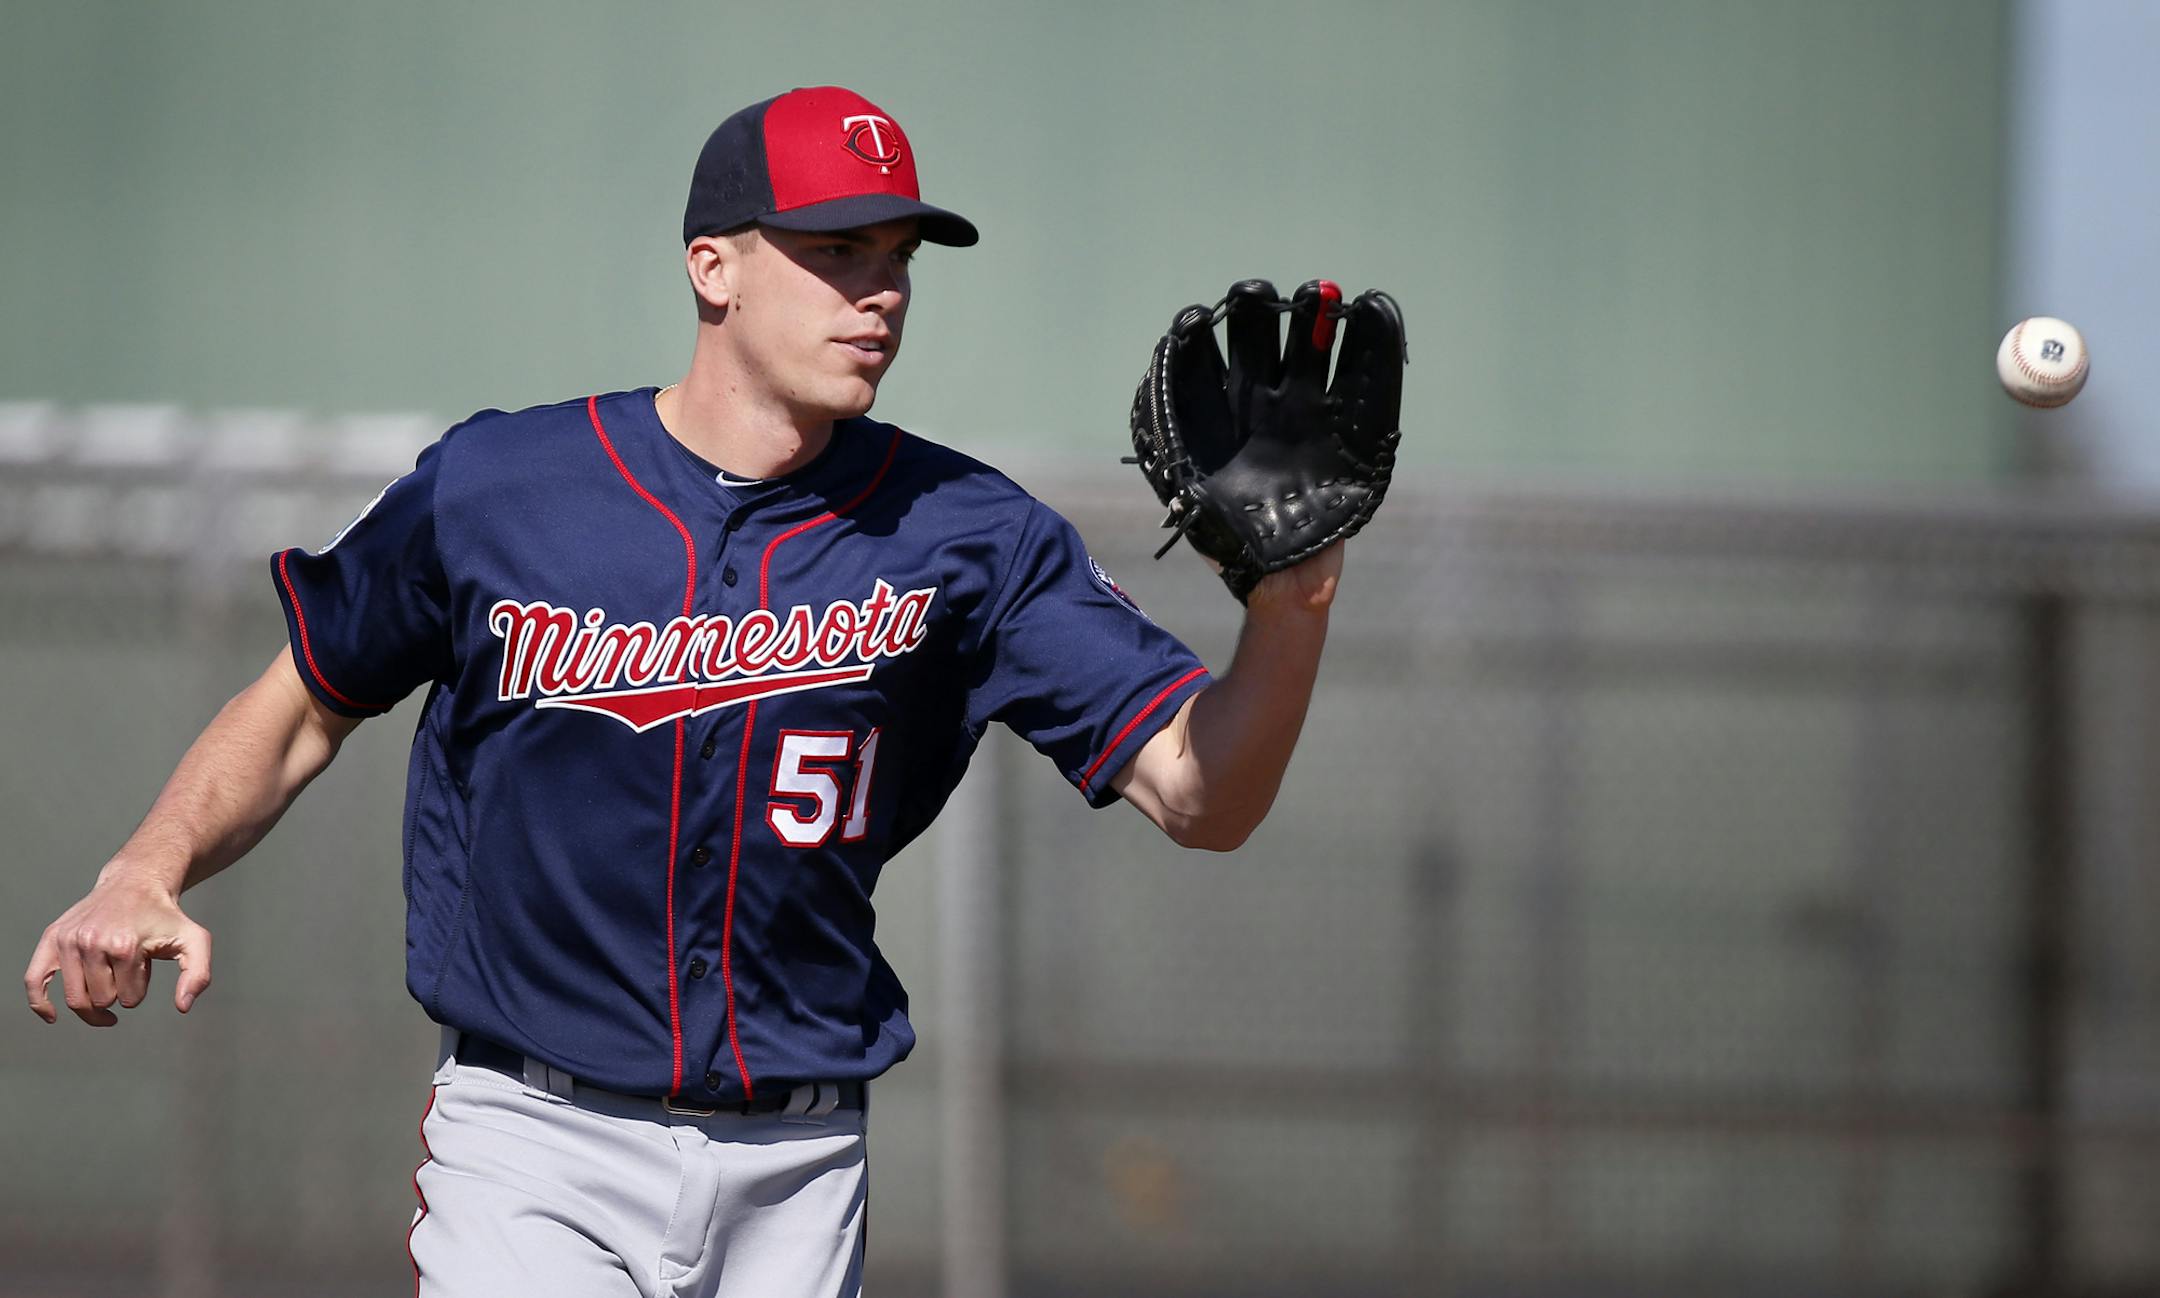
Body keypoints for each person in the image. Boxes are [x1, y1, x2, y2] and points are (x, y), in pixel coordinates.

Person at [23, 85, 1345, 1298]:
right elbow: (308, 697)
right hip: (537, 1145)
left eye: (897, 260)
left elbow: (1202, 793)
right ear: (711, 264)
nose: (878, 293)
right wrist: (149, 864)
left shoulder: (968, 531)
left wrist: (1293, 609)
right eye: (835, 252)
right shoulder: (503, 488)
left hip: (801, 1161)